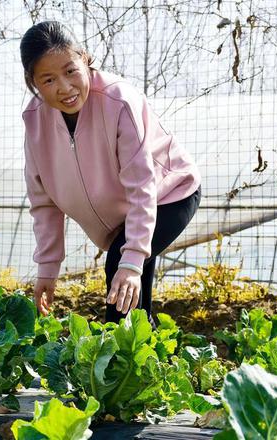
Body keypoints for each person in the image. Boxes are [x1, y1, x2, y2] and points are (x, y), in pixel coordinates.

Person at [20, 21, 201, 325]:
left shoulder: (118, 102)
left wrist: (131, 261)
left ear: (85, 59)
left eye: (70, 71)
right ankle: (145, 361)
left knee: (121, 267)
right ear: (34, 82)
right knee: (135, 307)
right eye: (48, 80)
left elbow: (142, 186)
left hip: (168, 194)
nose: (64, 88)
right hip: (125, 215)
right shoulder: (35, 121)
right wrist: (47, 270)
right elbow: (44, 202)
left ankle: (115, 364)